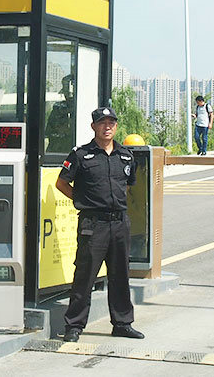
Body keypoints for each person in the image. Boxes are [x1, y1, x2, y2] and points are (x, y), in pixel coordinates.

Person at [55, 106, 145, 343]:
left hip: (120, 223)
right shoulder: (81, 155)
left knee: (120, 275)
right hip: (93, 225)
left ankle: (123, 323)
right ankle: (74, 326)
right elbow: (61, 183)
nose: (107, 127)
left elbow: (128, 185)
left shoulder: (125, 156)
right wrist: (82, 200)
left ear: (116, 126)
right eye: (102, 123)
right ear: (93, 126)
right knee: (85, 276)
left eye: (111, 123)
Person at [46, 75, 74, 153]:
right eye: (66, 91)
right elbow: (49, 131)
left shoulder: (81, 111)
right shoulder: (57, 109)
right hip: (58, 149)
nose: (68, 95)